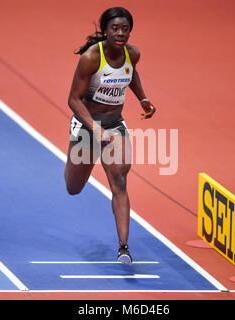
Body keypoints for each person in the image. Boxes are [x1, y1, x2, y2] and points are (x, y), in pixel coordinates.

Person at [65, 7, 156, 264]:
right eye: (115, 29)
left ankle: (124, 247)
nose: (120, 33)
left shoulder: (133, 54)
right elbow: (73, 99)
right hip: (86, 128)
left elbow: (131, 74)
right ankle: (88, 159)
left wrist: (143, 98)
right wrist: (94, 129)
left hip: (114, 125)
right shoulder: (91, 58)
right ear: (105, 30)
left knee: (120, 181)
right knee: (73, 188)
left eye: (125, 29)